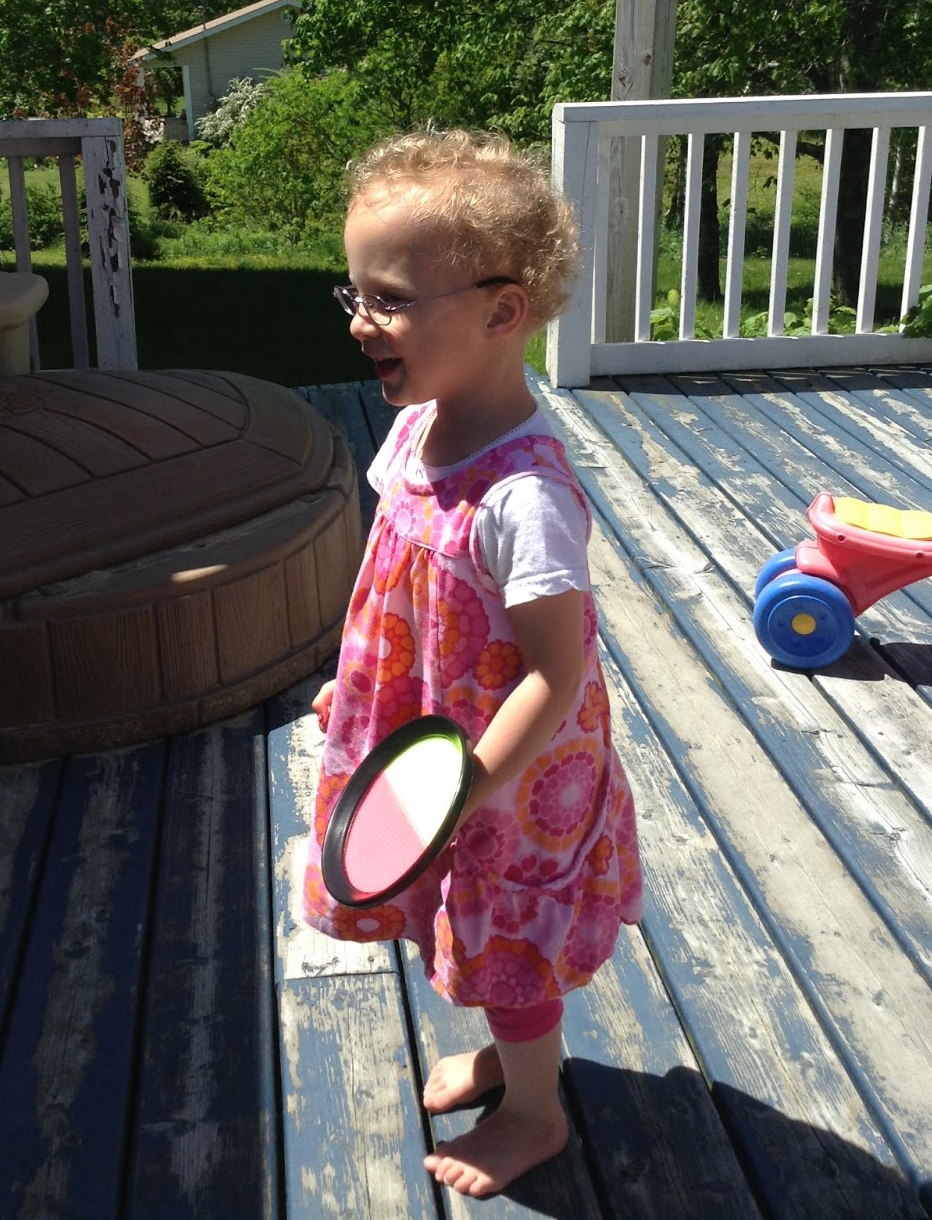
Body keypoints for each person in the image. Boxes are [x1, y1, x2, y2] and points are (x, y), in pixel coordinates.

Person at [302, 128, 643, 1198]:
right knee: (467, 926)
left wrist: (470, 786)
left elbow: (556, 672)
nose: (361, 322)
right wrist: (359, 684)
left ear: (502, 313)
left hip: (508, 775)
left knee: (504, 936)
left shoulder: (523, 497)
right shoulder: (415, 432)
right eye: (355, 294)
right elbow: (400, 581)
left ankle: (534, 1114)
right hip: (430, 734)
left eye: (391, 300)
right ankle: (508, 1052)